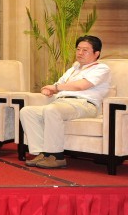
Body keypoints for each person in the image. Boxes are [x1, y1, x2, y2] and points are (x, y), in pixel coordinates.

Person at [19, 35, 111, 169]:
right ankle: (42, 153)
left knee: (52, 110)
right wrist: (49, 89)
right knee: (27, 111)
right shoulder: (73, 69)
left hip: (85, 105)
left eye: (85, 50)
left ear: (96, 53)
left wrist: (55, 88)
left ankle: (57, 156)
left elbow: (81, 86)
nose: (80, 53)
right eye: (78, 49)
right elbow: (57, 85)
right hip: (63, 103)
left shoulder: (101, 68)